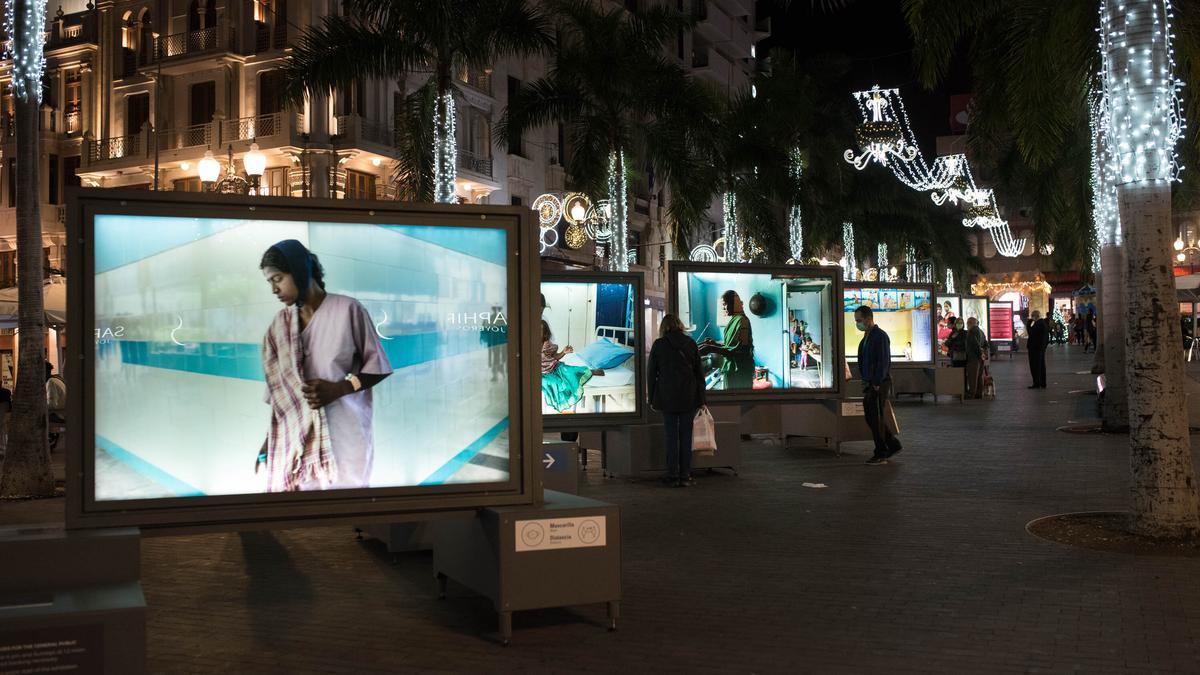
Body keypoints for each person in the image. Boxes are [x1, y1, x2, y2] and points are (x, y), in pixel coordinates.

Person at [257, 240, 393, 492]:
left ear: (299, 270)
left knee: (347, 514)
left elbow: (379, 367)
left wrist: (339, 389)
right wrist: (270, 440)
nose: (274, 289)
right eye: (270, 282)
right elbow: (281, 399)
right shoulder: (279, 325)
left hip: (344, 435)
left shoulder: (347, 310)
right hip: (298, 445)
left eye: (278, 278)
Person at [647, 314, 706, 487]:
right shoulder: (690, 344)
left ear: (663, 327)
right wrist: (701, 398)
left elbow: (651, 373)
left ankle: (672, 475)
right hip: (688, 396)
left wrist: (652, 397)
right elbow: (699, 373)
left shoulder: (659, 345)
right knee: (686, 436)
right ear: (680, 326)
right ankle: (685, 475)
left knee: (671, 436)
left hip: (667, 397)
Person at [855, 306, 901, 465]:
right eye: (856, 321)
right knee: (871, 416)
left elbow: (883, 361)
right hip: (870, 382)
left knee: (875, 417)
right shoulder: (866, 338)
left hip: (878, 383)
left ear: (869, 318)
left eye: (859, 320)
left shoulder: (879, 337)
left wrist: (876, 382)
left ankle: (881, 451)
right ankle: (892, 444)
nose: (857, 323)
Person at [699, 290, 755, 389]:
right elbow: (730, 346)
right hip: (732, 370)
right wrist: (714, 344)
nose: (723, 308)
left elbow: (740, 351)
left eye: (725, 304)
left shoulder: (743, 321)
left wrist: (711, 348)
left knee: (738, 402)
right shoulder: (734, 320)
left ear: (734, 303)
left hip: (740, 372)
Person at [965, 317, 989, 399]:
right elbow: (986, 344)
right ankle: (979, 393)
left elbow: (975, 344)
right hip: (980, 358)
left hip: (974, 357)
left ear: (970, 323)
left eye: (968, 323)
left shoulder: (972, 331)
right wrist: (983, 354)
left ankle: (972, 394)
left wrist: (979, 353)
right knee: (979, 376)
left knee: (973, 376)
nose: (967, 325)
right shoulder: (981, 332)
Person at [1026, 310, 1050, 389]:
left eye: (1032, 316)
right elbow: (1047, 338)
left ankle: (1037, 383)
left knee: (1035, 366)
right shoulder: (1043, 324)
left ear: (1035, 316)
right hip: (1040, 349)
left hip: (1035, 349)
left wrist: (1028, 324)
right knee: (1041, 366)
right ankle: (1043, 383)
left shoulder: (1038, 324)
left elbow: (1031, 333)